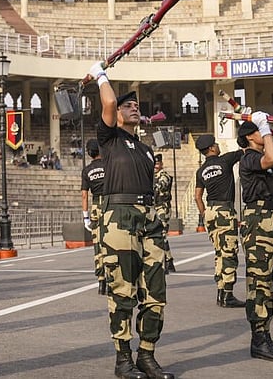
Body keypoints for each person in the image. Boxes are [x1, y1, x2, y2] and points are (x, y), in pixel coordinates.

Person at [87, 62, 172, 379]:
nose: (134, 108)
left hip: (148, 217)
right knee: (122, 292)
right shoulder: (108, 139)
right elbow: (107, 102)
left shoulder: (147, 149)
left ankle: (147, 355)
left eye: (137, 105)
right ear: (117, 113)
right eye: (128, 105)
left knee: (156, 292)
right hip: (119, 216)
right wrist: (101, 76)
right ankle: (123, 360)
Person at [237, 117, 273, 362]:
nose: (265, 134)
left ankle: (265, 334)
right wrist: (266, 130)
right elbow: (272, 157)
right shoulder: (249, 157)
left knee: (269, 281)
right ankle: (258, 339)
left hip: (272, 218)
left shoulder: (261, 162)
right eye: (260, 131)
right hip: (259, 220)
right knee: (259, 281)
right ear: (250, 136)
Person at [193, 134, 246, 308]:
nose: (217, 145)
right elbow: (244, 151)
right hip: (224, 210)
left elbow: (197, 196)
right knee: (229, 252)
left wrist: (204, 214)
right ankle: (228, 294)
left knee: (219, 252)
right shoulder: (225, 160)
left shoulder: (201, 171)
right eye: (215, 144)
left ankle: (220, 291)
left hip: (210, 211)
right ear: (211, 148)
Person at [80, 138, 108, 295]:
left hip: (96, 206)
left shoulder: (86, 170)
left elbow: (84, 196)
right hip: (110, 204)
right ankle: (111, 277)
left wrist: (85, 217)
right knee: (111, 243)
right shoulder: (109, 165)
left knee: (97, 243)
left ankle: (101, 280)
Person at [152, 154, 175, 273]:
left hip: (163, 207)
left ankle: (165, 262)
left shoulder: (164, 176)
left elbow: (160, 186)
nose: (156, 166)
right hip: (154, 207)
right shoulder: (151, 176)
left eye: (157, 164)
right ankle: (169, 260)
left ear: (161, 164)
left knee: (162, 234)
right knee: (160, 235)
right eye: (154, 164)